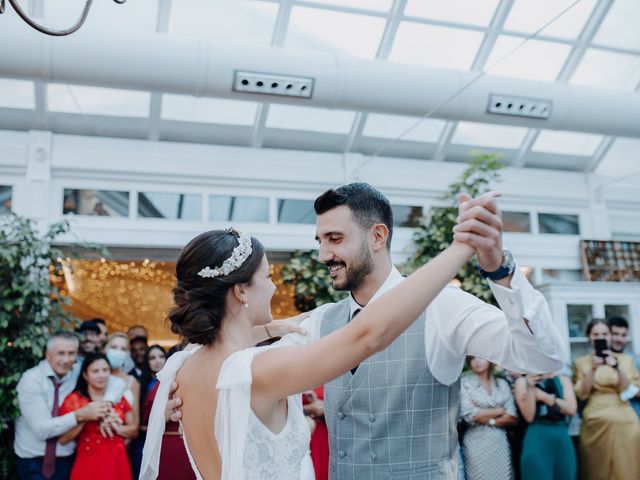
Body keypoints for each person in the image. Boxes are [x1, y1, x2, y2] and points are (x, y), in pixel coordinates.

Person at [161, 183, 565, 479]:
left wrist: (500, 270)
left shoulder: (445, 307)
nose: (323, 255)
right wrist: (187, 398)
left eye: (334, 239)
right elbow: (230, 358)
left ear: (378, 236)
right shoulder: (321, 321)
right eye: (320, 240)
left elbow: (543, 358)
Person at [140, 213, 478, 479]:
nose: (273, 288)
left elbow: (223, 340)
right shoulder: (258, 370)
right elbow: (367, 335)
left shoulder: (183, 366)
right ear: (241, 291)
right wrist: (461, 248)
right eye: (268, 277)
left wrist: (268, 328)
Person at [14, 331, 111, 480]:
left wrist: (107, 406)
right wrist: (81, 414)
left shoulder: (78, 372)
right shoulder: (31, 379)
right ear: (47, 354)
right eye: (60, 353)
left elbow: (113, 381)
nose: (66, 360)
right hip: (33, 460)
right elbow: (41, 429)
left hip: (66, 459)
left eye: (71, 353)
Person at [573, 319, 640, 480]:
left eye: (604, 333)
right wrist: (592, 369)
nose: (600, 337)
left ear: (610, 336)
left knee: (627, 468)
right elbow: (582, 393)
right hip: (595, 421)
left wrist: (616, 367)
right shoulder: (581, 362)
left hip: (625, 420)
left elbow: (630, 390)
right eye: (596, 334)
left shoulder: (625, 360)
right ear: (589, 337)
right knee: (595, 468)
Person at [59, 353, 136, 480]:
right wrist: (86, 416)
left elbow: (133, 430)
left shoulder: (118, 398)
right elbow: (63, 439)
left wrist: (114, 426)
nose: (101, 375)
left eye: (105, 370)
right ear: (85, 375)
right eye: (95, 371)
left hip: (117, 460)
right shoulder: (74, 399)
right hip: (89, 462)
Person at [460, 357, 518, 480]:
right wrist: (499, 410)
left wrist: (486, 416)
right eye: (472, 358)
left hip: (500, 442)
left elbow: (512, 416)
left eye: (481, 357)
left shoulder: (501, 383)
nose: (477, 361)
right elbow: (469, 415)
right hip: (475, 443)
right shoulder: (465, 382)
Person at [514, 372, 577, 480]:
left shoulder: (563, 379)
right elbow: (529, 416)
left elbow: (571, 409)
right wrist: (530, 387)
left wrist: (545, 397)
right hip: (536, 435)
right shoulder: (522, 382)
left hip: (561, 436)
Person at [132, 345, 167, 479]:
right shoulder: (141, 385)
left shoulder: (175, 382)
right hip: (144, 439)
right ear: (146, 361)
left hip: (166, 438)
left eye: (161, 356)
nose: (157, 361)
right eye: (152, 358)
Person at [104, 333, 140, 441]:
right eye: (114, 347)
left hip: (122, 444)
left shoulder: (132, 381)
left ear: (127, 354)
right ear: (105, 349)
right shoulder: (95, 378)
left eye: (123, 349)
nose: (118, 352)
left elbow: (135, 424)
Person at [609, 316, 640, 417]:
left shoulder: (635, 360)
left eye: (623, 335)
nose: (620, 339)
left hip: (634, 415)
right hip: (608, 417)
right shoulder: (597, 361)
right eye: (615, 334)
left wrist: (628, 388)